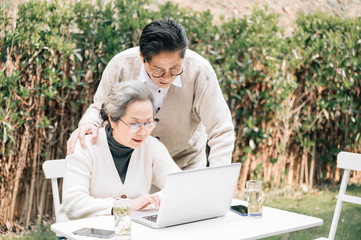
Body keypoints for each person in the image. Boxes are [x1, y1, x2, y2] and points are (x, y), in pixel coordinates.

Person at [67, 18, 234, 170]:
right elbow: (99, 109)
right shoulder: (120, 66)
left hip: (186, 164)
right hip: (130, 165)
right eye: (159, 71)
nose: (167, 77)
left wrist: (217, 178)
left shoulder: (200, 72)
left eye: (175, 69)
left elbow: (221, 130)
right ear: (142, 57)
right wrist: (89, 123)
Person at [60, 81, 181, 220]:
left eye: (148, 123)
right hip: (85, 231)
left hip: (129, 230)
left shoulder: (152, 147)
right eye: (134, 124)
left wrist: (154, 199)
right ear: (112, 119)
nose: (143, 132)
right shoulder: (85, 146)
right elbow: (73, 205)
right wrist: (125, 206)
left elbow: (180, 186)